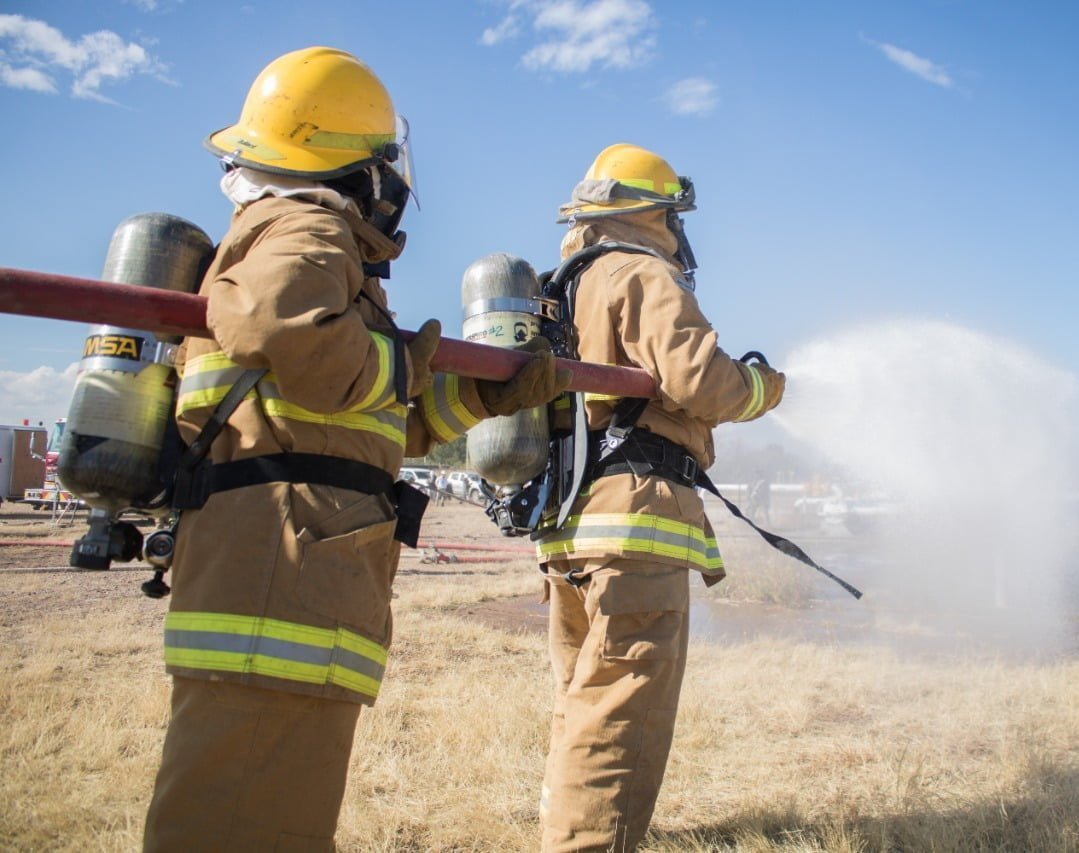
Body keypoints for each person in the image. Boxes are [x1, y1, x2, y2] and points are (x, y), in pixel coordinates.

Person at [143, 46, 567, 851]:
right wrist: (403, 364)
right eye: (381, 163)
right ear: (352, 165)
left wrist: (478, 398)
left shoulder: (302, 243)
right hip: (281, 590)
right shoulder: (307, 223)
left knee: (262, 821)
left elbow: (359, 430)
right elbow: (275, 322)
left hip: (288, 585)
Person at [534, 143, 786, 852]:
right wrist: (765, 388)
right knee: (620, 710)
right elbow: (704, 381)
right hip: (634, 519)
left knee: (582, 699)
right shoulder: (640, 272)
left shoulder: (568, 286)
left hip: (569, 521)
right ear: (657, 213)